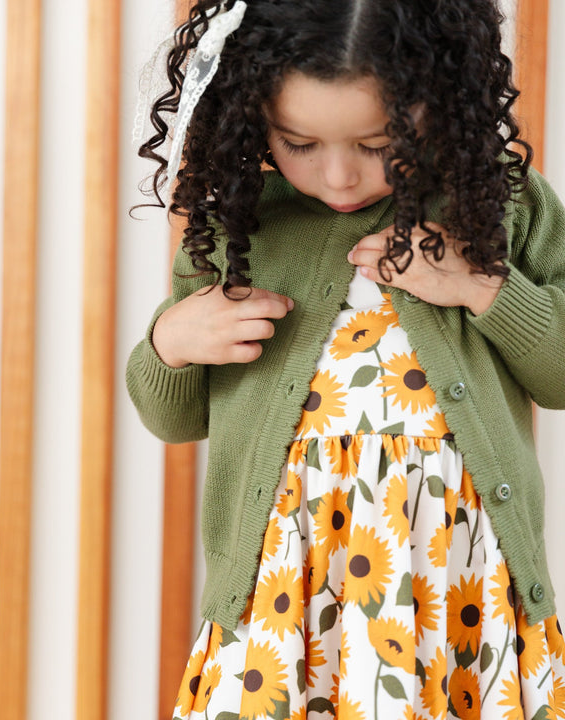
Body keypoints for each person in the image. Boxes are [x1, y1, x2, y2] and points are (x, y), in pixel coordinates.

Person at [127, 1, 565, 717]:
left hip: (456, 587)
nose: (337, 177)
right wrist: (170, 343)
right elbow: (172, 419)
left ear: (436, 104)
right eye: (299, 144)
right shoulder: (241, 223)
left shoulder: (494, 205)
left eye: (376, 144)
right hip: (286, 590)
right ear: (254, 115)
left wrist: (484, 287)